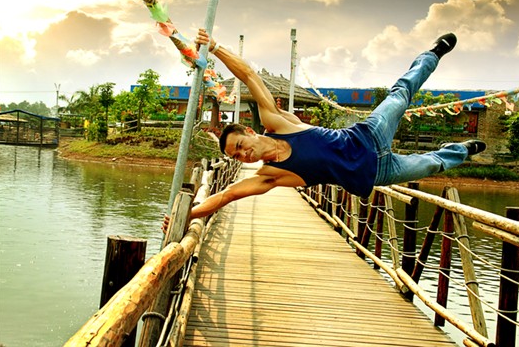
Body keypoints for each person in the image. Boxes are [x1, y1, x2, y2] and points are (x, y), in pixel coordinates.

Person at [163, 29, 485, 231]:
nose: (243, 155)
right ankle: (462, 150)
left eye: (239, 146)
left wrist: (216, 47)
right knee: (430, 164)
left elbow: (249, 75)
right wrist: (188, 215)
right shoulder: (269, 176)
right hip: (376, 172)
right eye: (236, 157)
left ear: (248, 131)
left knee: (400, 95)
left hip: (368, 134)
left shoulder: (278, 122)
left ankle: (432, 54)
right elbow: (226, 195)